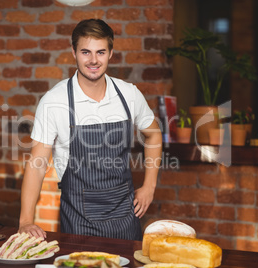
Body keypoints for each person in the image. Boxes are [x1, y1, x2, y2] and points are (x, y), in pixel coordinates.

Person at [18, 19, 162, 241]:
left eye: (101, 52)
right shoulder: (54, 101)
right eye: (86, 52)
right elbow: (37, 164)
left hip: (126, 222)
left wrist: (149, 187)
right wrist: (26, 221)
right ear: (73, 52)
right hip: (77, 225)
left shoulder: (128, 94)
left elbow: (153, 133)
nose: (94, 60)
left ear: (111, 53)